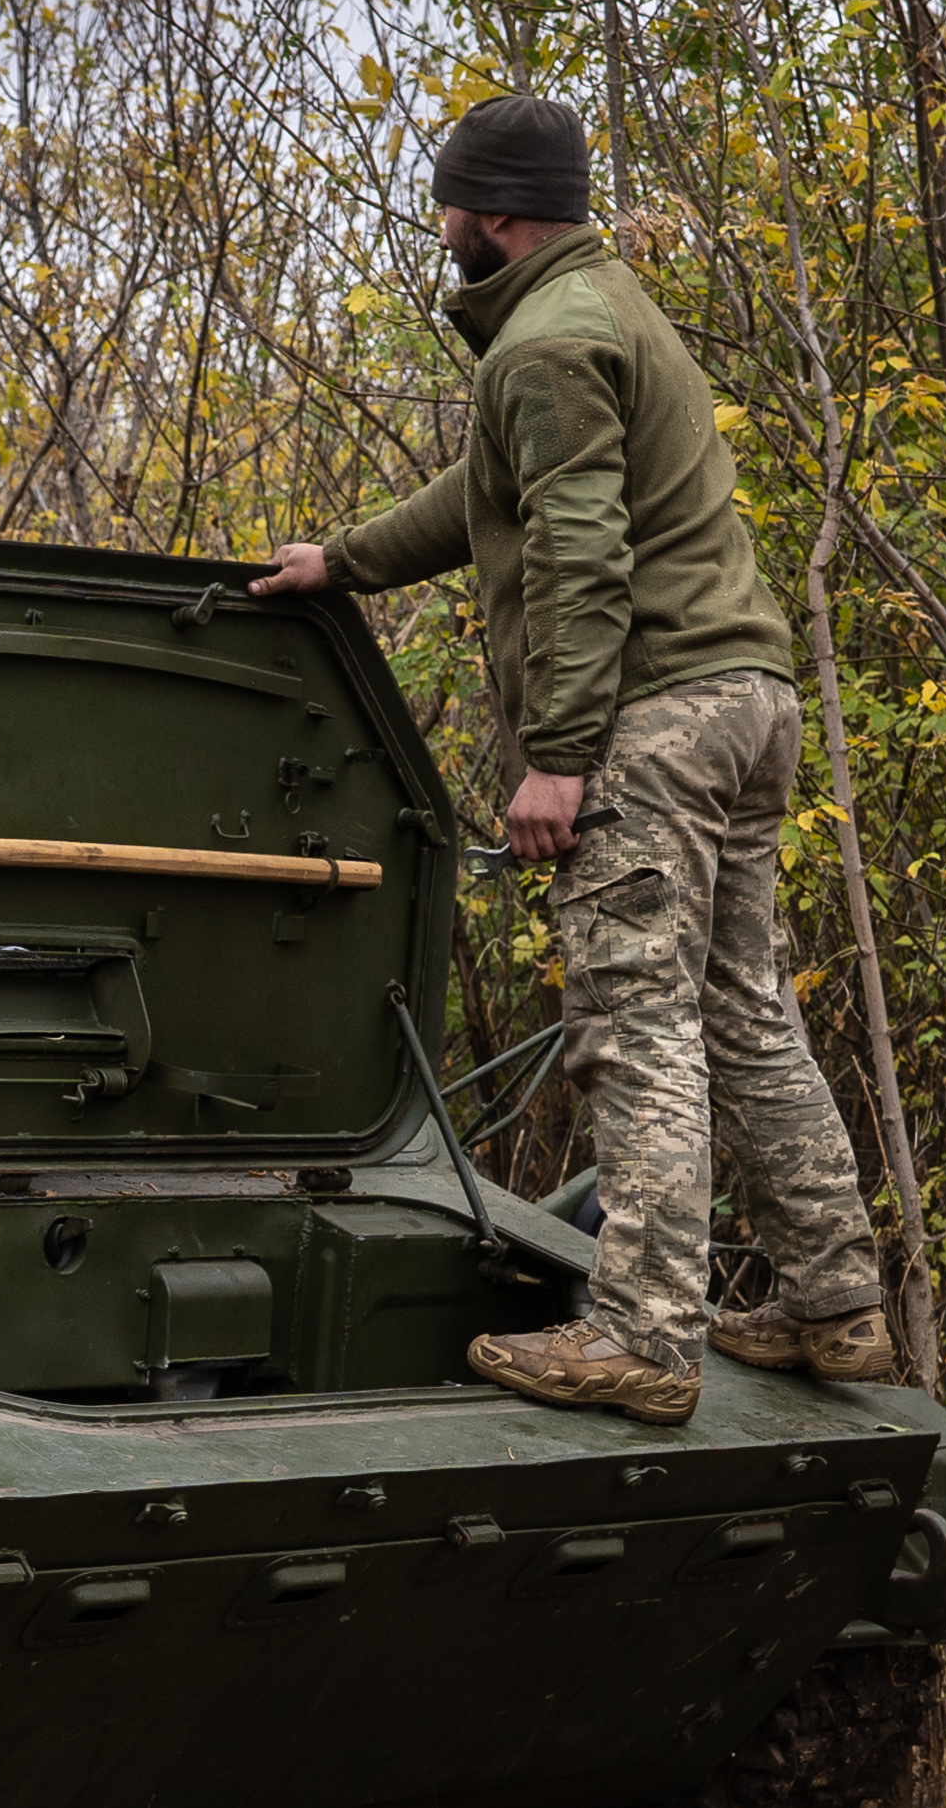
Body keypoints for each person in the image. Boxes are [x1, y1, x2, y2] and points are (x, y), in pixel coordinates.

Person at [251, 93, 892, 1426]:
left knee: (634, 1022)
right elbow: (496, 499)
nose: (439, 229)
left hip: (651, 720)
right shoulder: (601, 308)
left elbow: (581, 557)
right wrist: (344, 561)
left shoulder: (541, 346)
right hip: (746, 702)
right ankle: (836, 1304)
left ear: (489, 213)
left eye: (447, 207)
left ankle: (642, 1337)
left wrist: (558, 757)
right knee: (744, 1008)